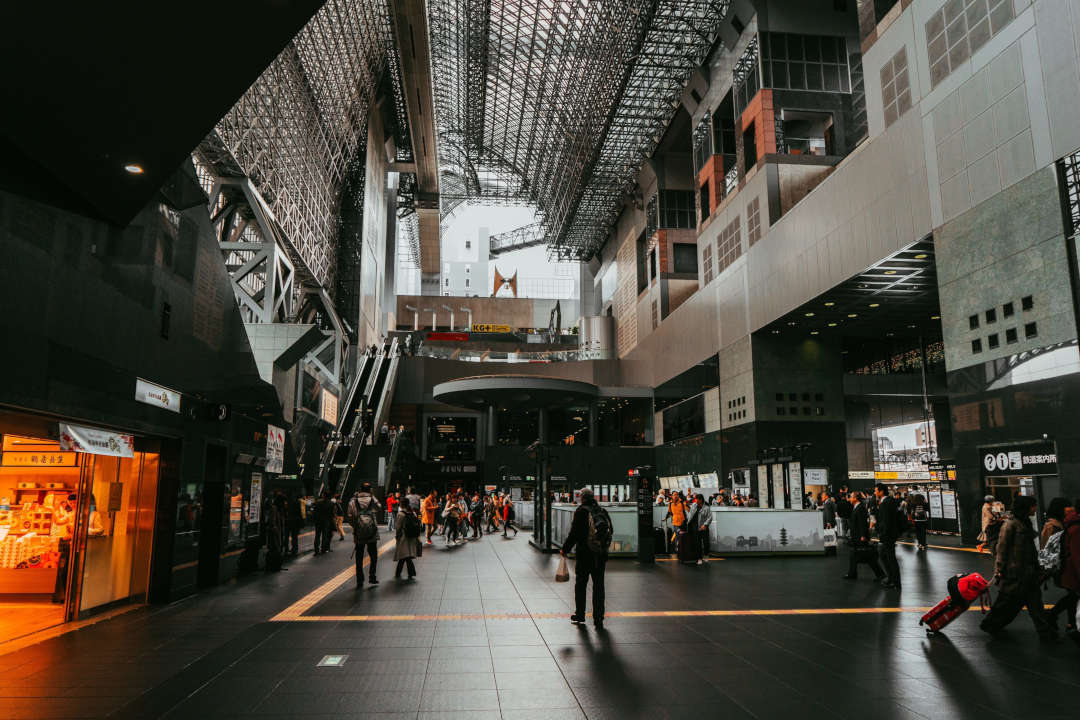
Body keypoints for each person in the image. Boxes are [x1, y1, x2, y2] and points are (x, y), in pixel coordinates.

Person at [980, 495, 1053, 638]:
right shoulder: (1010, 524)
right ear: (1026, 507)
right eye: (1033, 506)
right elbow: (1002, 549)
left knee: (1034, 603)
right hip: (1015, 573)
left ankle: (1045, 631)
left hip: (1029, 572)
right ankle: (990, 625)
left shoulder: (1025, 522)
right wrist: (999, 570)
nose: (1035, 508)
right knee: (1006, 603)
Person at [561, 488, 610, 630]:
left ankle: (580, 614)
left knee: (581, 585)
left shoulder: (581, 511)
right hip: (600, 555)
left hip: (584, 555)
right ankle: (599, 617)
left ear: (582, 498)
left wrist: (565, 549)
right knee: (599, 586)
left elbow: (574, 533)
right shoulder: (601, 511)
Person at [843, 491, 885, 581]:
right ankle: (852, 573)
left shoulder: (860, 508)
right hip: (857, 536)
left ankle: (880, 574)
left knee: (867, 557)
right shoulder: (856, 507)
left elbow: (862, 523)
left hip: (860, 536)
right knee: (855, 555)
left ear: (855, 498)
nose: (849, 498)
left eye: (851, 497)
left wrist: (863, 535)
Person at [1052, 499, 1080, 634]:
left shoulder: (1070, 523)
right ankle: (1053, 616)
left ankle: (1070, 624)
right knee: (1072, 597)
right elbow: (1077, 556)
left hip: (1070, 570)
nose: (1069, 508)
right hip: (1072, 571)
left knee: (1072, 598)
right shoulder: (1075, 528)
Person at [347, 483, 382, 587]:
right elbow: (379, 508)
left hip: (359, 533)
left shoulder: (353, 501)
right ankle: (372, 576)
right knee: (373, 556)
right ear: (370, 490)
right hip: (372, 533)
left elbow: (349, 516)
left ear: (360, 490)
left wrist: (356, 526)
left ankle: (360, 579)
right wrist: (372, 496)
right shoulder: (372, 500)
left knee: (359, 557)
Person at [874, 483, 901, 589]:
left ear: (881, 491)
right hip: (890, 535)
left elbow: (886, 522)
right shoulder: (890, 501)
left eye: (876, 490)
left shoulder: (885, 503)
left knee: (890, 559)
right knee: (886, 556)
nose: (875, 492)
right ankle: (891, 579)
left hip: (887, 536)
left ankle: (895, 582)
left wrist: (882, 534)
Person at [393, 503, 420, 580]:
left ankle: (406, 572)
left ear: (401, 505)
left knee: (404, 555)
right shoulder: (413, 513)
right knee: (406, 555)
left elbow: (398, 527)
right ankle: (408, 573)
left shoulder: (400, 514)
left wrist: (397, 537)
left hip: (404, 536)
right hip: (412, 536)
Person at [690, 493, 712, 564]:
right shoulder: (693, 505)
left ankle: (706, 555)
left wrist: (705, 525)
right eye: (695, 499)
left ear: (701, 500)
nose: (696, 500)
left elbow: (710, 517)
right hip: (695, 527)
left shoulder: (707, 508)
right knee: (697, 544)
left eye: (697, 499)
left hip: (704, 528)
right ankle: (699, 558)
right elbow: (690, 514)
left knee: (706, 543)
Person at [312, 491, 334, 555]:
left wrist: (315, 520)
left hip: (318, 521)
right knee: (325, 535)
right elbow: (331, 514)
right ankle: (323, 549)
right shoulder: (331, 503)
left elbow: (314, 512)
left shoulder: (317, 502)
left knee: (317, 535)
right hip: (326, 521)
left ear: (323, 495)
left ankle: (316, 550)